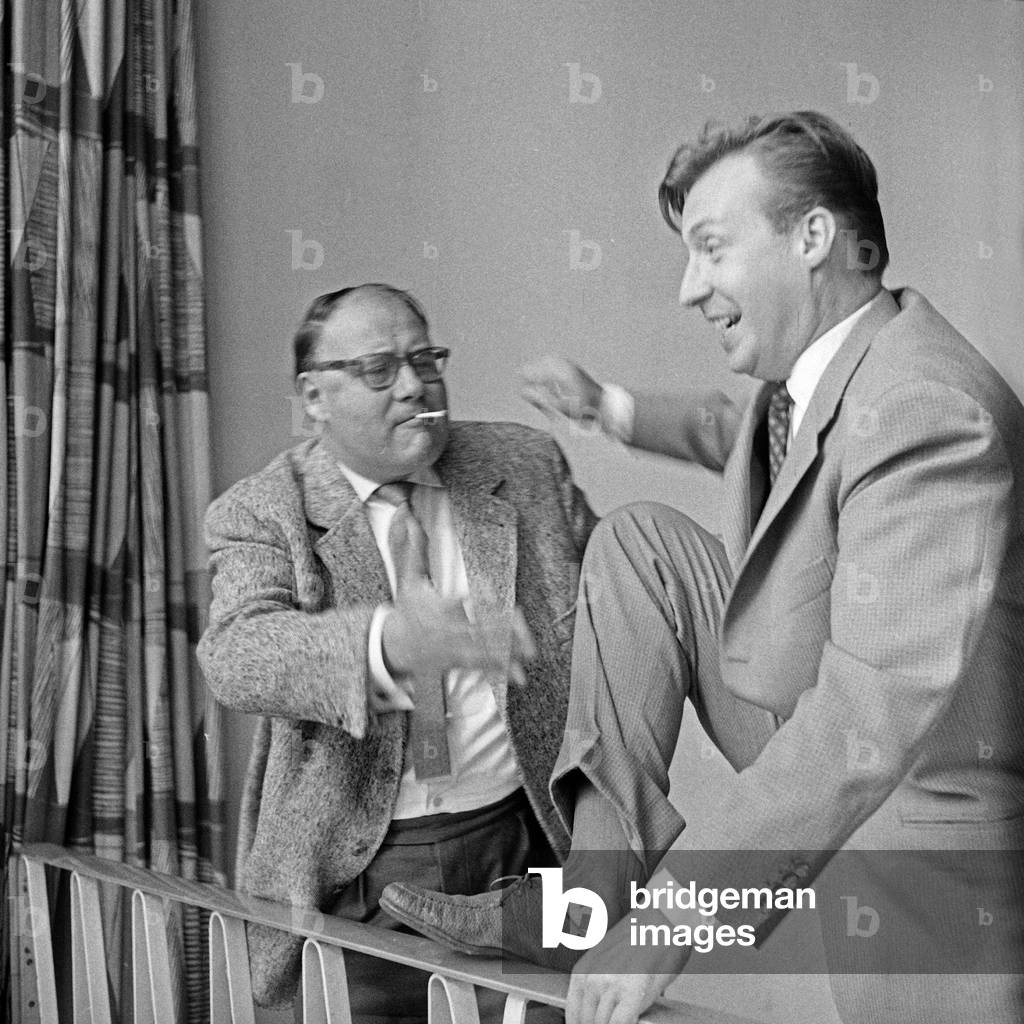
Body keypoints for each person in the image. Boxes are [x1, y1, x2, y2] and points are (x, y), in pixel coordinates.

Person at [380, 112, 1024, 1024]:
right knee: (641, 544)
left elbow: (870, 713)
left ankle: (624, 907)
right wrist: (610, 406)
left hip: (914, 793)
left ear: (813, 237)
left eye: (712, 249)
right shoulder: (840, 373)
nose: (690, 288)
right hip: (808, 693)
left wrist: (671, 919)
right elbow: (754, 440)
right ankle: (594, 897)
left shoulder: (926, 404)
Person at [198, 283, 596, 1018]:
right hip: (361, 872)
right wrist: (390, 641)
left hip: (521, 841)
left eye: (425, 358)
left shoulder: (527, 465)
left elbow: (620, 614)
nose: (415, 385)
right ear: (315, 395)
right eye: (380, 369)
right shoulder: (261, 510)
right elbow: (236, 652)